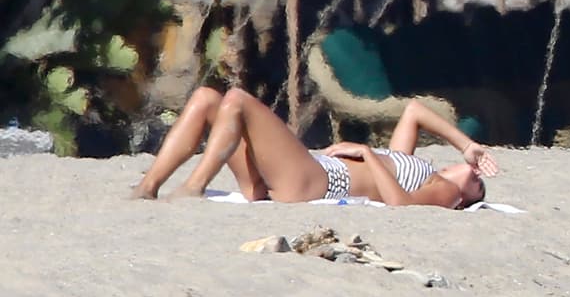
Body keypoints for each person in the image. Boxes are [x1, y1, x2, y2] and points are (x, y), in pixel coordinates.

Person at [131, 87, 499, 208]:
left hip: (319, 180)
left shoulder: (446, 191)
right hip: (307, 170)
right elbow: (416, 110)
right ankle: (148, 187)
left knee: (238, 100)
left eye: (478, 186)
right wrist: (467, 146)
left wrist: (368, 154)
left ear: (465, 199)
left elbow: (400, 206)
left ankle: (194, 186)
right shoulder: (416, 164)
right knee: (207, 97)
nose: (476, 177)